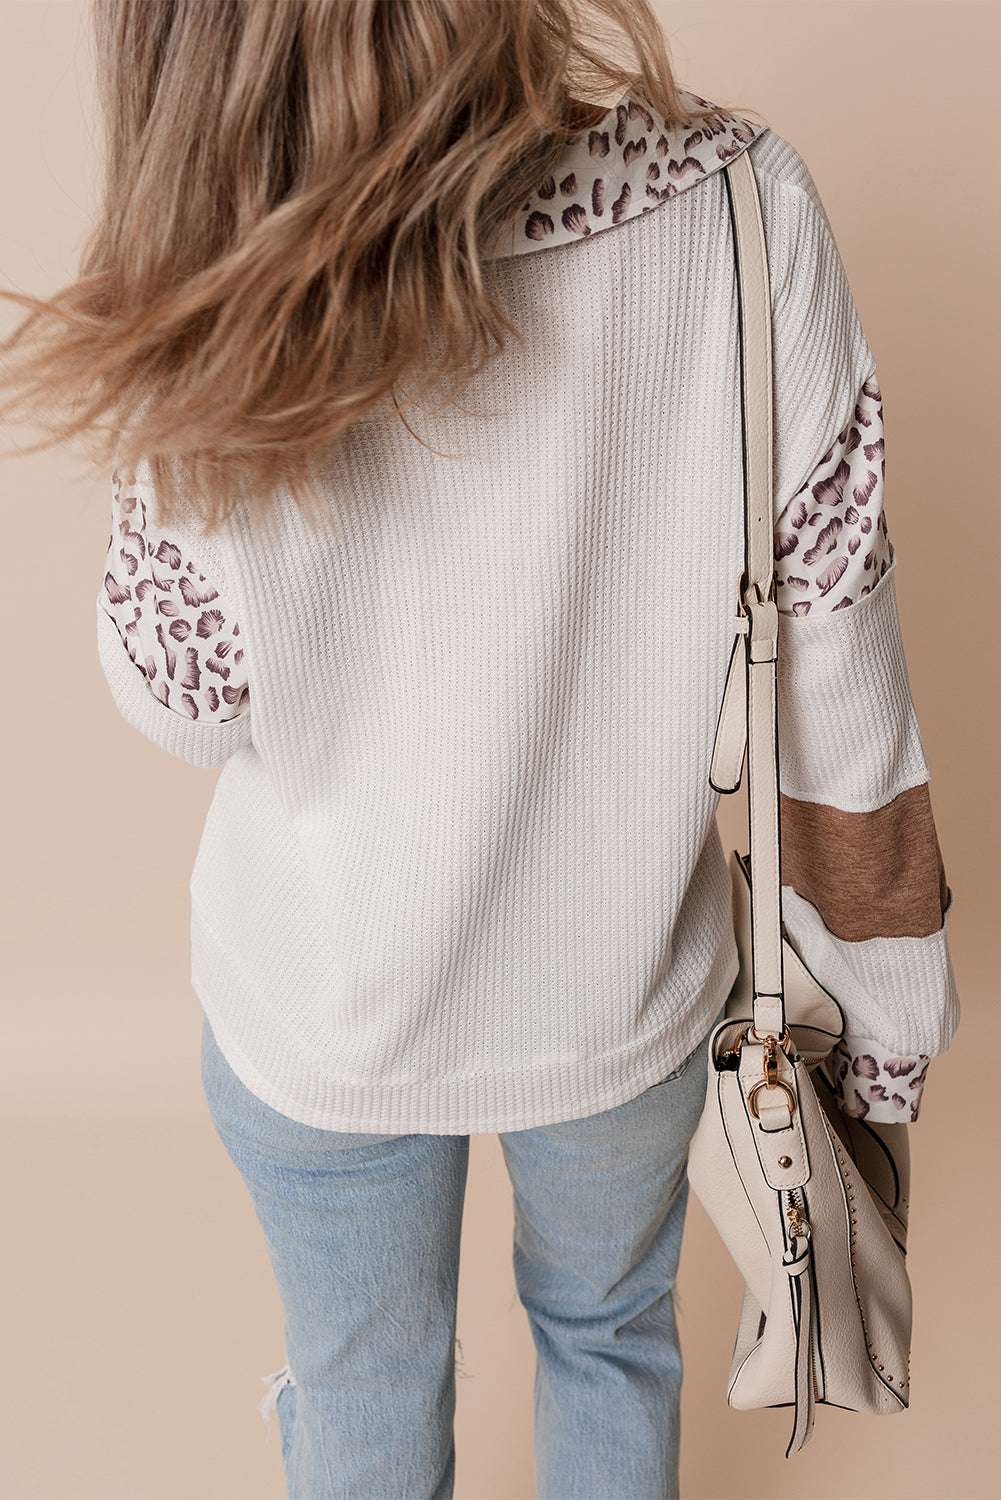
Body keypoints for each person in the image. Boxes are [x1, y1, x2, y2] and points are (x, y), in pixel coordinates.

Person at [1, 2, 959, 1496]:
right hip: (620, 994)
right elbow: (841, 672)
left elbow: (184, 699)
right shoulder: (735, 206)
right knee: (611, 1337)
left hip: (322, 1010)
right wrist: (884, 1030)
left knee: (363, 1388)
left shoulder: (216, 279)